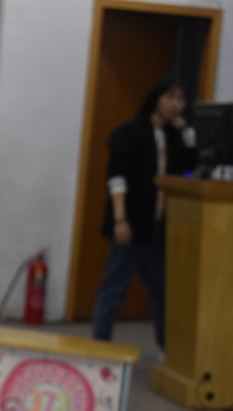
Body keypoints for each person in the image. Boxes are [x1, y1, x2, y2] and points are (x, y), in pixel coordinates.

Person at [92, 76, 198, 356]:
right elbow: (117, 178)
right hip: (132, 223)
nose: (177, 105)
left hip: (159, 227)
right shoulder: (130, 132)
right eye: (171, 98)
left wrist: (187, 132)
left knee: (161, 293)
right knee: (114, 290)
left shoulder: (175, 136)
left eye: (181, 100)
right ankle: (99, 349)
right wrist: (120, 219)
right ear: (156, 99)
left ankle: (166, 350)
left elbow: (190, 168)